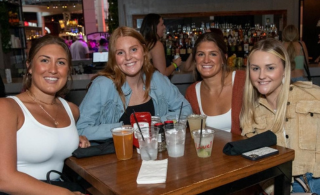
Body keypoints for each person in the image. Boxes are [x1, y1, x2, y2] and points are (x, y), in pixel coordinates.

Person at [0, 35, 90, 195]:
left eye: (61, 62)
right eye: (44, 60)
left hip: (59, 185)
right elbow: (4, 179)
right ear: (29, 66)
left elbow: (46, 141)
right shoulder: (7, 108)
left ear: (68, 70)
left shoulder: (72, 110)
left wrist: (76, 138)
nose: (53, 69)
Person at [76, 26, 192, 141]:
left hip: (153, 154)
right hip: (115, 157)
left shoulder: (157, 79)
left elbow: (186, 109)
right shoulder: (102, 85)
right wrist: (122, 129)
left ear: (144, 50)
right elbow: (80, 129)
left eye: (133, 49)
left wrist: (156, 122)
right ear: (114, 58)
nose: (128, 57)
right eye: (120, 52)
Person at [240, 38, 320, 194]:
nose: (261, 75)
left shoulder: (313, 97)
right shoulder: (251, 114)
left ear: (284, 69)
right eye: (255, 68)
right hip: (283, 187)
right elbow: (257, 166)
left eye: (270, 68)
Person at [185, 32, 245, 135]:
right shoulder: (192, 93)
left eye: (213, 54)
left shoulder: (242, 80)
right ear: (195, 59)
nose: (206, 60)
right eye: (201, 54)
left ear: (223, 58)